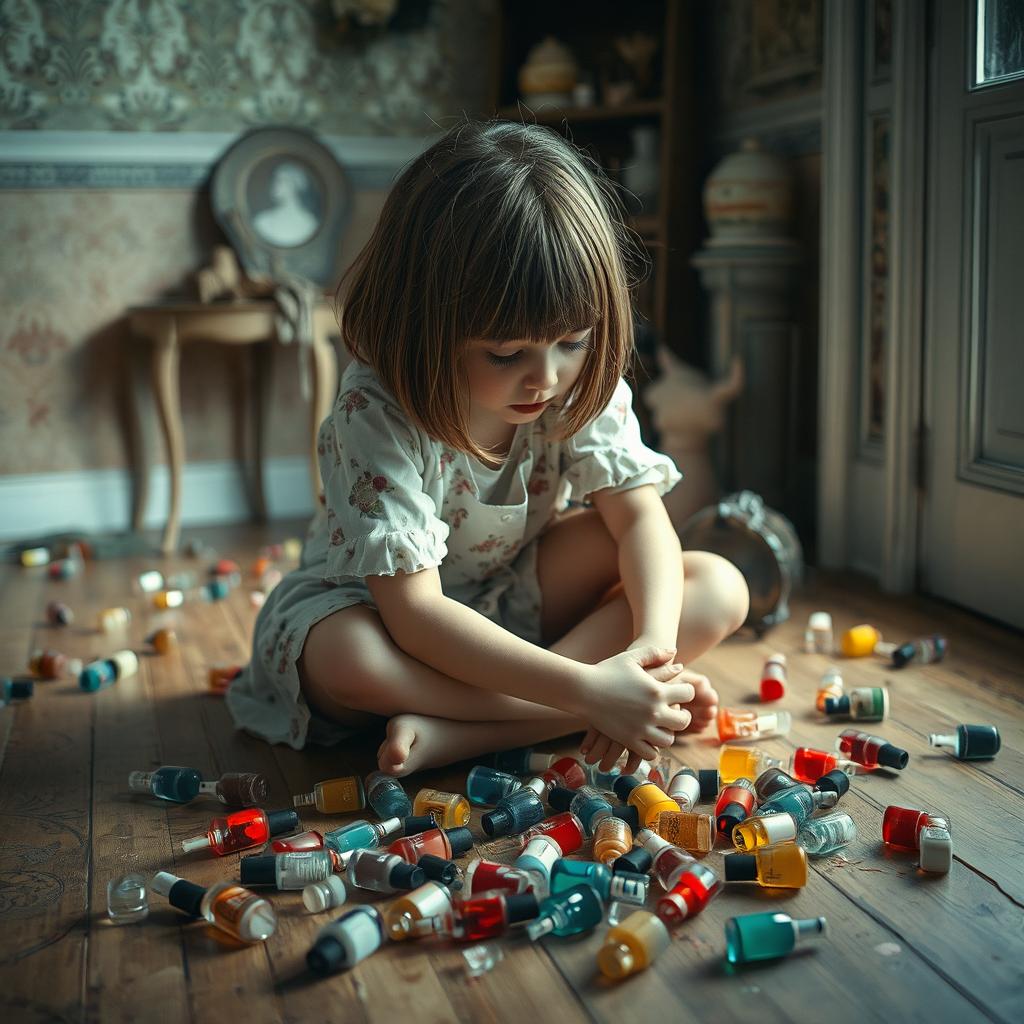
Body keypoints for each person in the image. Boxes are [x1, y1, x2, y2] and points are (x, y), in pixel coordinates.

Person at [226, 120, 749, 778]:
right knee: (346, 659)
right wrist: (589, 692)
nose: (547, 377)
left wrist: (650, 654)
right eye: (506, 354)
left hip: (512, 605)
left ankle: (462, 735)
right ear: (427, 323)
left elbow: (641, 518)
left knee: (717, 586)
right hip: (385, 620)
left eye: (572, 341)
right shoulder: (376, 410)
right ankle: (573, 708)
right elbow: (416, 616)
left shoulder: (570, 383)